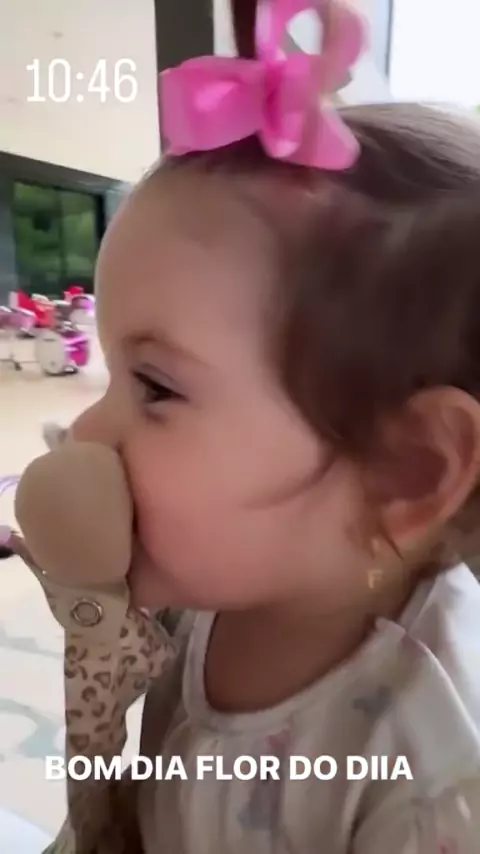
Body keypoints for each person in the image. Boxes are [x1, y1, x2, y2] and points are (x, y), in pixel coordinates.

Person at [68, 0, 480, 849]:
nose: (85, 434)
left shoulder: (434, 782)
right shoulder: (201, 603)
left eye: (155, 387)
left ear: (408, 471)